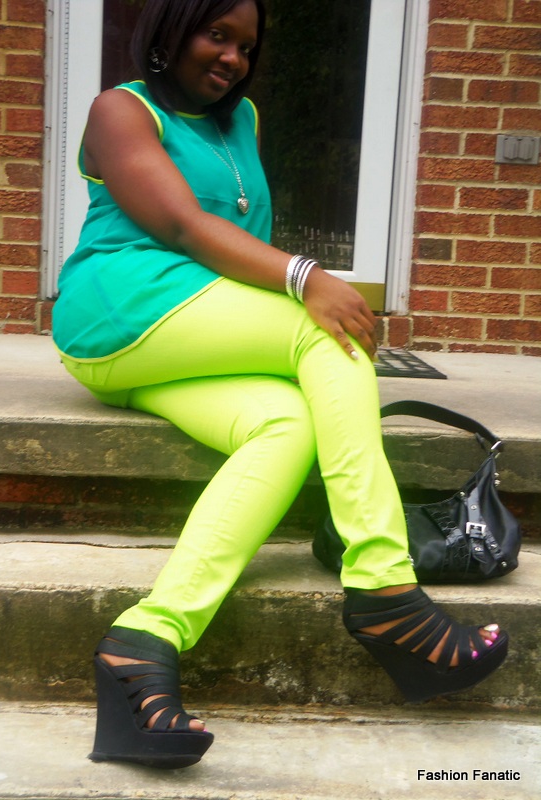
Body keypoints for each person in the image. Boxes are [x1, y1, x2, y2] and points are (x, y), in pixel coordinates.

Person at [52, 0, 508, 770]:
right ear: (171, 29)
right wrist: (307, 277)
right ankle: (385, 587)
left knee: (288, 425)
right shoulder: (120, 110)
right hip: (120, 305)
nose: (232, 57)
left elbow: (240, 238)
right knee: (328, 328)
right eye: (216, 35)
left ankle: (143, 641)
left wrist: (291, 287)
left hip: (190, 329)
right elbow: (181, 226)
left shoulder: (244, 120)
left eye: (246, 45)